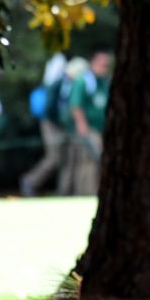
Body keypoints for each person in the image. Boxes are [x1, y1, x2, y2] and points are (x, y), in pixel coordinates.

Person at [20, 53, 68, 196]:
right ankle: (30, 181)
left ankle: (64, 190)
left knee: (62, 158)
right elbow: (51, 109)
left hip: (54, 124)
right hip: (52, 125)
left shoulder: (54, 82)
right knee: (54, 158)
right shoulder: (55, 83)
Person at [66, 51, 111, 195]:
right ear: (93, 63)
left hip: (101, 128)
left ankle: (92, 191)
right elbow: (75, 105)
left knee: (95, 161)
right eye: (102, 65)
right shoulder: (84, 81)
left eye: (106, 65)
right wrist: (82, 125)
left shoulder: (104, 81)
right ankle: (86, 192)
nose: (104, 68)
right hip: (89, 128)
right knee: (87, 161)